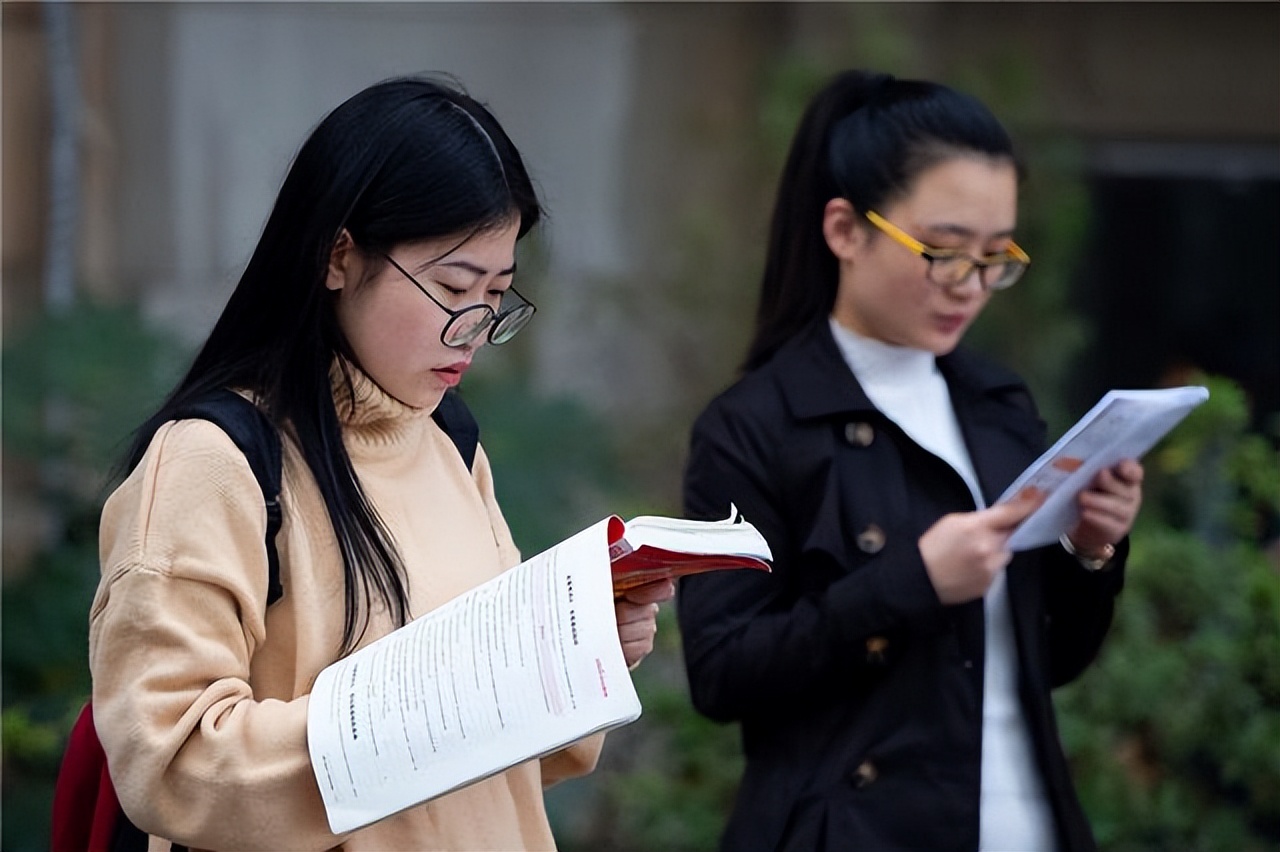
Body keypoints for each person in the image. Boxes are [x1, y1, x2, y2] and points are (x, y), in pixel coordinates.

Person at [88, 75, 674, 851]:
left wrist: (581, 648)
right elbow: (172, 763)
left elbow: (508, 763)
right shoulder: (215, 461)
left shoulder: (451, 444)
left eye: (498, 292)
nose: (476, 327)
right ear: (338, 256)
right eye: (454, 286)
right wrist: (441, 703)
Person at [676, 69, 1144, 852]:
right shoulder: (756, 424)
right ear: (845, 231)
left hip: (1028, 826)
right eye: (945, 251)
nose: (972, 285)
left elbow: (1050, 660)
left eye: (997, 256)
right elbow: (723, 672)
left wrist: (1089, 550)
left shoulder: (997, 405)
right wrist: (910, 584)